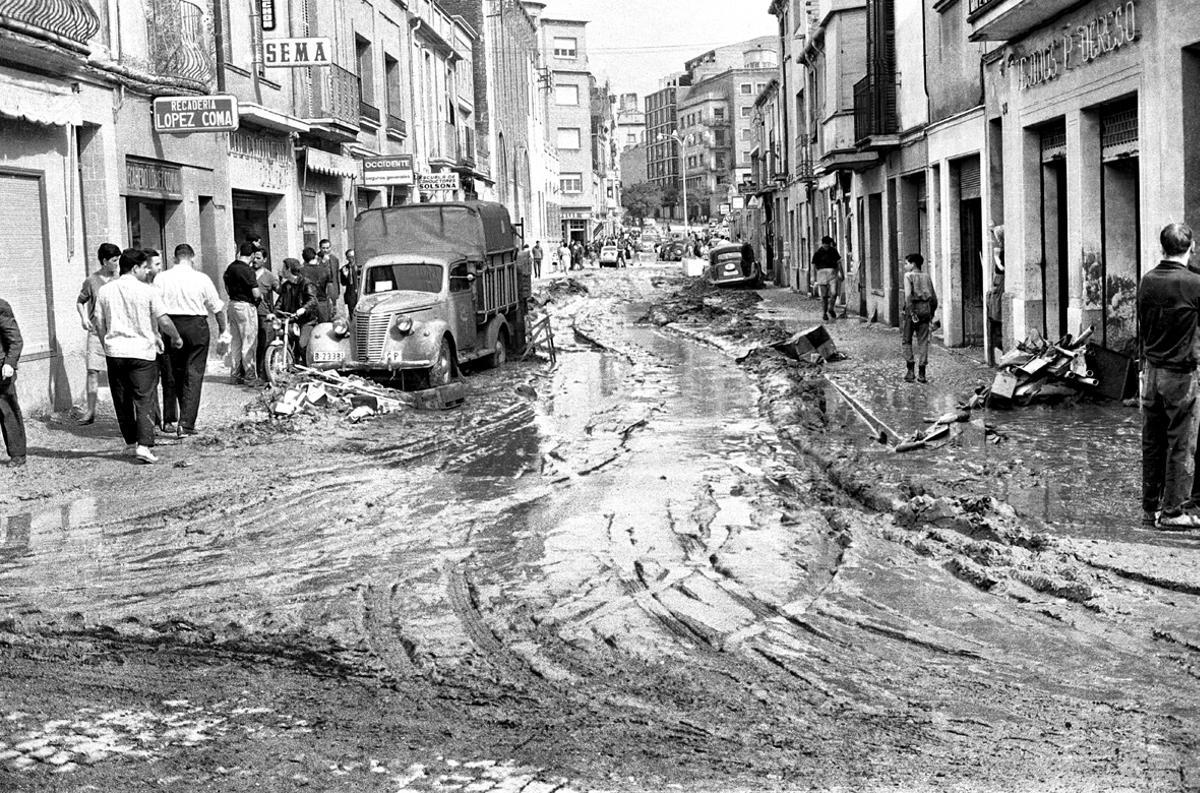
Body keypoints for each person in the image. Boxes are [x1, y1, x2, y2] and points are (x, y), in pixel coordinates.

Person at [93, 249, 183, 464]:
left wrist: (106, 340)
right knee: (144, 398)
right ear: (135, 268)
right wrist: (176, 338)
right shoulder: (148, 291)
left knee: (122, 398)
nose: (147, 271)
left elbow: (98, 322)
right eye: (144, 267)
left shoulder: (105, 291)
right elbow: (164, 320)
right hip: (142, 353)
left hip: (115, 352)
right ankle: (144, 445)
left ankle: (131, 443)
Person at [1139, 222, 1200, 529]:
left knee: (1152, 440)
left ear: (1161, 248)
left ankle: (1150, 509)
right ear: (1191, 248)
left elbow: (1143, 327)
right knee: (1181, 441)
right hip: (1180, 374)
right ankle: (1175, 511)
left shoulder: (1146, 281)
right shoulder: (1193, 283)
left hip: (1151, 372)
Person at [155, 243, 227, 437]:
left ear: (174, 257)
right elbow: (217, 307)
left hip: (170, 324)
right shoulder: (201, 278)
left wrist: (156, 332)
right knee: (194, 374)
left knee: (173, 373)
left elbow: (154, 306)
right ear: (192, 257)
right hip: (196, 326)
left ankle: (173, 418)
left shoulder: (161, 278)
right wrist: (223, 332)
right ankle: (186, 423)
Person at [76, 243, 122, 424]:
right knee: (92, 371)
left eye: (118, 260)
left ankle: (124, 413)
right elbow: (80, 301)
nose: (117, 264)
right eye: (114, 260)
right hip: (96, 332)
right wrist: (83, 318)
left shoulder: (120, 279)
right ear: (104, 261)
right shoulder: (91, 281)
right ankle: (91, 412)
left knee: (119, 372)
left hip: (115, 331)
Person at [223, 242, 262, 385]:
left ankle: (235, 375)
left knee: (236, 342)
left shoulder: (231, 267)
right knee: (249, 341)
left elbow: (227, 287)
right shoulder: (248, 271)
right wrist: (260, 298)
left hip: (232, 304)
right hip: (246, 306)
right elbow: (256, 293)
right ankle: (250, 377)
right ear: (251, 255)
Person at [901, 253, 938, 383]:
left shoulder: (908, 276)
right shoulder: (926, 276)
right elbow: (934, 298)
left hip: (913, 310)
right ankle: (922, 373)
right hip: (925, 310)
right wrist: (931, 313)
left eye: (906, 263)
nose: (905, 266)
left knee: (907, 340)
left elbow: (908, 296)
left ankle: (910, 371)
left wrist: (911, 313)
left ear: (913, 264)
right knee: (923, 341)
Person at [276, 258, 320, 366]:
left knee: (302, 344)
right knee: (284, 339)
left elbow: (313, 300)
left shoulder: (306, 284)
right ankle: (290, 365)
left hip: (307, 321)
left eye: (283, 268)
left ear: (289, 269)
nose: (282, 270)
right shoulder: (286, 286)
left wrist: (303, 309)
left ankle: (309, 367)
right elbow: (280, 302)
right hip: (291, 319)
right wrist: (274, 312)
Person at [0, 297, 26, 468]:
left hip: (1, 370)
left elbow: (16, 340)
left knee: (6, 409)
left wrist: (9, 363)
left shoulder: (0, 307)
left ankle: (17, 454)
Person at [253, 252, 280, 381]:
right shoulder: (248, 273)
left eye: (258, 258)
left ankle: (263, 373)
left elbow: (280, 291)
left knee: (264, 343)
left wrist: (275, 311)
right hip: (249, 313)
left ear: (264, 259)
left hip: (263, 314)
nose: (255, 260)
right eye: (254, 257)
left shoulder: (269, 276)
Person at [812, 236, 843, 321]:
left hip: (832, 273)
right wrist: (814, 276)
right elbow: (814, 265)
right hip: (822, 274)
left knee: (834, 293)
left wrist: (841, 273)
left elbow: (839, 263)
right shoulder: (818, 253)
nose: (826, 247)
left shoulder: (833, 251)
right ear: (822, 244)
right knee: (824, 296)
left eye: (828, 245)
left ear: (830, 244)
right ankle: (824, 313)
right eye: (825, 245)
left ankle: (831, 308)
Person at [301, 246, 335, 323]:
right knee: (323, 329)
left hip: (307, 305)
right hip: (322, 303)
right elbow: (330, 288)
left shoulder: (301, 271)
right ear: (315, 256)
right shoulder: (325, 270)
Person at [340, 249, 359, 316]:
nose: (352, 258)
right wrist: (345, 275)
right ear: (347, 258)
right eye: (350, 257)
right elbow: (343, 283)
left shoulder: (360, 267)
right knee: (352, 312)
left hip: (360, 292)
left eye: (353, 256)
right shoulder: (344, 268)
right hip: (351, 293)